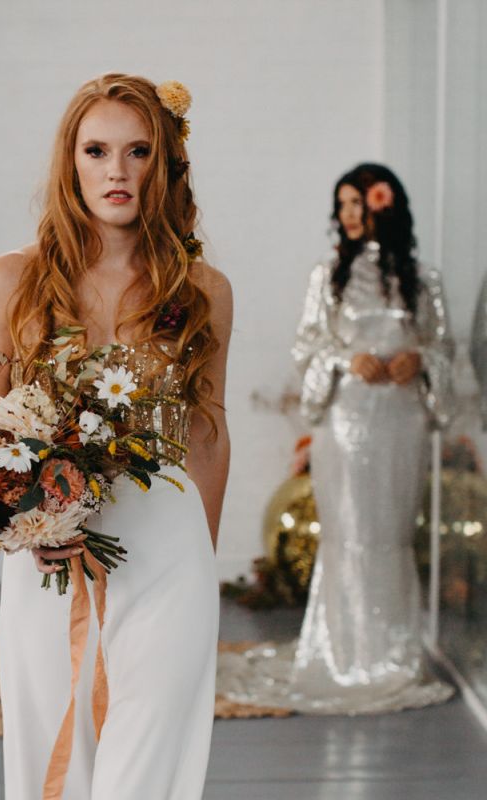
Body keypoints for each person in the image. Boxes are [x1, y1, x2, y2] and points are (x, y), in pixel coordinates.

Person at [0, 74, 231, 799]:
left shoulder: (202, 291)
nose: (118, 170)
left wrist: (201, 564)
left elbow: (208, 433)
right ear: (70, 162)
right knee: (54, 757)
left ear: (166, 165)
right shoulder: (6, 283)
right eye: (98, 150)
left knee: (149, 766)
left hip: (171, 554)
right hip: (50, 560)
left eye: (139, 151)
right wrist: (25, 527)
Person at [218, 163, 454, 714]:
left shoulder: (425, 280)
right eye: (343, 204)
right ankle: (342, 655)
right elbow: (307, 349)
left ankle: (394, 655)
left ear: (384, 206)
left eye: (359, 203)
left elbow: (445, 350)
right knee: (350, 532)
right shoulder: (329, 277)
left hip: (401, 420)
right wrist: (350, 359)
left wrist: (420, 361)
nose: (348, 214)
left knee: (392, 532)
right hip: (346, 422)